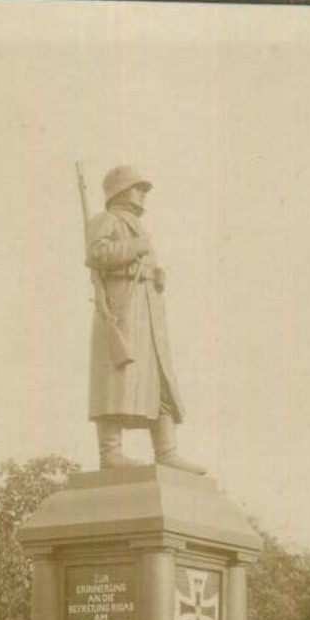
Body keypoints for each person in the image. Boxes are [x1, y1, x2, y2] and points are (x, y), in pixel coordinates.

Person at [85, 164, 205, 474]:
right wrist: (133, 248)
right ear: (122, 191)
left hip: (149, 314)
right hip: (122, 311)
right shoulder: (107, 219)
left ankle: (166, 451)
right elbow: (95, 255)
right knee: (116, 380)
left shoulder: (141, 228)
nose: (142, 194)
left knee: (161, 379)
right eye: (138, 188)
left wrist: (157, 275)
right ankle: (110, 452)